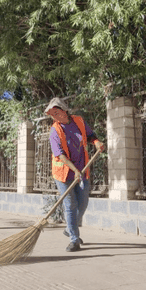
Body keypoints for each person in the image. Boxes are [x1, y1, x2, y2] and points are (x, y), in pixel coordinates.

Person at [45, 97, 105, 252]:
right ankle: (74, 239)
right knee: (70, 205)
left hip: (83, 170)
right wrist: (75, 170)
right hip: (64, 173)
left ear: (64, 110)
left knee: (83, 203)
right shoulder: (54, 131)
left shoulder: (78, 121)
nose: (56, 116)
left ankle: (70, 228)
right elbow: (61, 155)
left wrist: (96, 142)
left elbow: (91, 135)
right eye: (53, 115)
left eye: (57, 112)